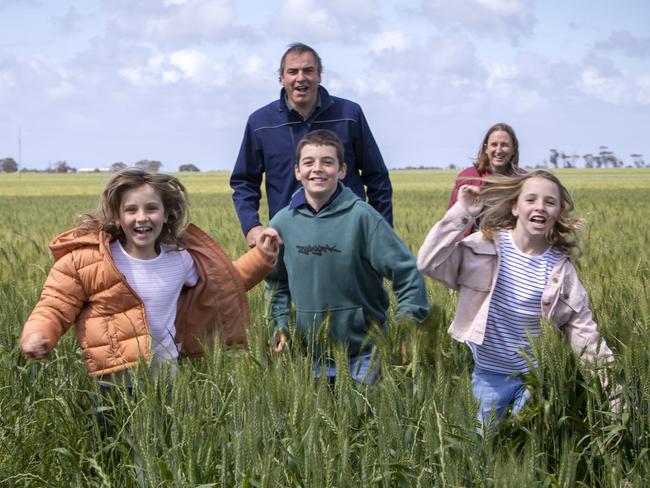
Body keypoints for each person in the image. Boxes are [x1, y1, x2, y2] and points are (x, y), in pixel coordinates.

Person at [20, 168, 280, 380]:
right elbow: (55, 305)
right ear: (117, 216)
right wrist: (38, 334)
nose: (141, 217)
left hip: (167, 379)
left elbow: (225, 282)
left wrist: (261, 256)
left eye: (151, 209)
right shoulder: (89, 260)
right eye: (131, 210)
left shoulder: (180, 259)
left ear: (167, 214)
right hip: (113, 381)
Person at [417, 170, 616, 430]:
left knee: (527, 448)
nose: (540, 207)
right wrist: (462, 213)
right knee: (483, 448)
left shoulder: (561, 271)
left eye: (550, 202)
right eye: (531, 199)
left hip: (536, 381)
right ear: (515, 207)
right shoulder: (483, 247)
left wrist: (613, 389)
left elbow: (585, 334)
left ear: (558, 213)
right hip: (489, 377)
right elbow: (428, 262)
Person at [266, 130, 429, 385]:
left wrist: (406, 326)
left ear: (342, 170)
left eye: (327, 162)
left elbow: (407, 272)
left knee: (363, 422)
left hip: (364, 355)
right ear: (298, 171)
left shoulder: (363, 218)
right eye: (309, 162)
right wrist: (280, 325)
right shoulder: (282, 223)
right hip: (309, 357)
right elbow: (276, 283)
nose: (317, 169)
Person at [231, 42, 393, 248]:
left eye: (308, 70)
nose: (301, 78)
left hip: (348, 237)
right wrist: (252, 226)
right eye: (292, 72)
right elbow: (244, 182)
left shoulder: (349, 115)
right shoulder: (261, 123)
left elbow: (377, 177)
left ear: (319, 75)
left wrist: (381, 232)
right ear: (281, 78)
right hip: (287, 240)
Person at [448, 123, 522, 236]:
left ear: (513, 150)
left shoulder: (523, 180)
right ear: (486, 148)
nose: (499, 150)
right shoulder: (468, 177)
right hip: (471, 247)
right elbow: (452, 219)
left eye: (504, 145)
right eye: (494, 144)